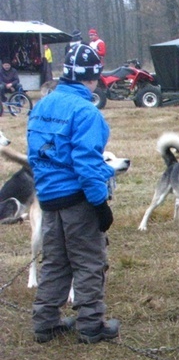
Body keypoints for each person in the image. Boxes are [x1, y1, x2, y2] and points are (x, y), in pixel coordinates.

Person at [27, 44, 120, 344]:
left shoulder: (42, 105)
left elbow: (35, 154)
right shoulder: (85, 112)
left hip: (49, 198)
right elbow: (88, 164)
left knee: (55, 261)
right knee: (89, 261)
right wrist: (100, 204)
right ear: (93, 78)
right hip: (78, 200)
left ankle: (46, 322)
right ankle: (92, 325)